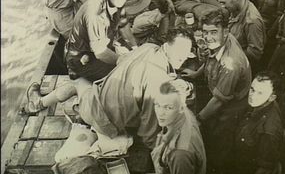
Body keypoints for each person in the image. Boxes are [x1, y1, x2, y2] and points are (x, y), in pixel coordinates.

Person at [26, 27, 193, 149]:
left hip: (102, 106)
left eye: (187, 52)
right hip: (104, 120)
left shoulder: (148, 47)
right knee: (78, 84)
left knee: (79, 82)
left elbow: (123, 62)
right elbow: (148, 133)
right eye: (180, 51)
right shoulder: (159, 81)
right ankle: (38, 104)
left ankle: (39, 103)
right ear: (167, 46)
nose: (184, 57)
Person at [181, 9, 252, 174]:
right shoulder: (222, 41)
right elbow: (211, 59)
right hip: (218, 90)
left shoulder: (231, 63)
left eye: (213, 32)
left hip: (231, 107)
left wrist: (197, 120)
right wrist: (196, 73)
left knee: (220, 142)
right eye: (205, 32)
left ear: (226, 32)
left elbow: (219, 101)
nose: (208, 37)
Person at [65, 0, 137, 82]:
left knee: (133, 57)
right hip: (82, 58)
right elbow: (100, 52)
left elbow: (124, 28)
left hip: (101, 47)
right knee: (127, 76)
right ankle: (77, 75)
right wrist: (124, 61)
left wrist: (135, 49)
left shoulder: (117, 0)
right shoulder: (95, 11)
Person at [146, 80, 206, 174]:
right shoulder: (183, 114)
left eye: (168, 108)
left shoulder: (179, 154)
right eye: (157, 105)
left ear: (181, 108)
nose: (160, 113)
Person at [233, 71, 284, 174]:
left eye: (260, 93)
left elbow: (265, 168)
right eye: (252, 89)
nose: (252, 95)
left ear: (272, 97)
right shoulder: (260, 103)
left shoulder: (269, 131)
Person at [216, 0, 266, 74]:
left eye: (223, 2)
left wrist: (227, 54)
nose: (222, 6)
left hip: (239, 68)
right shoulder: (234, 9)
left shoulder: (252, 20)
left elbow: (255, 54)